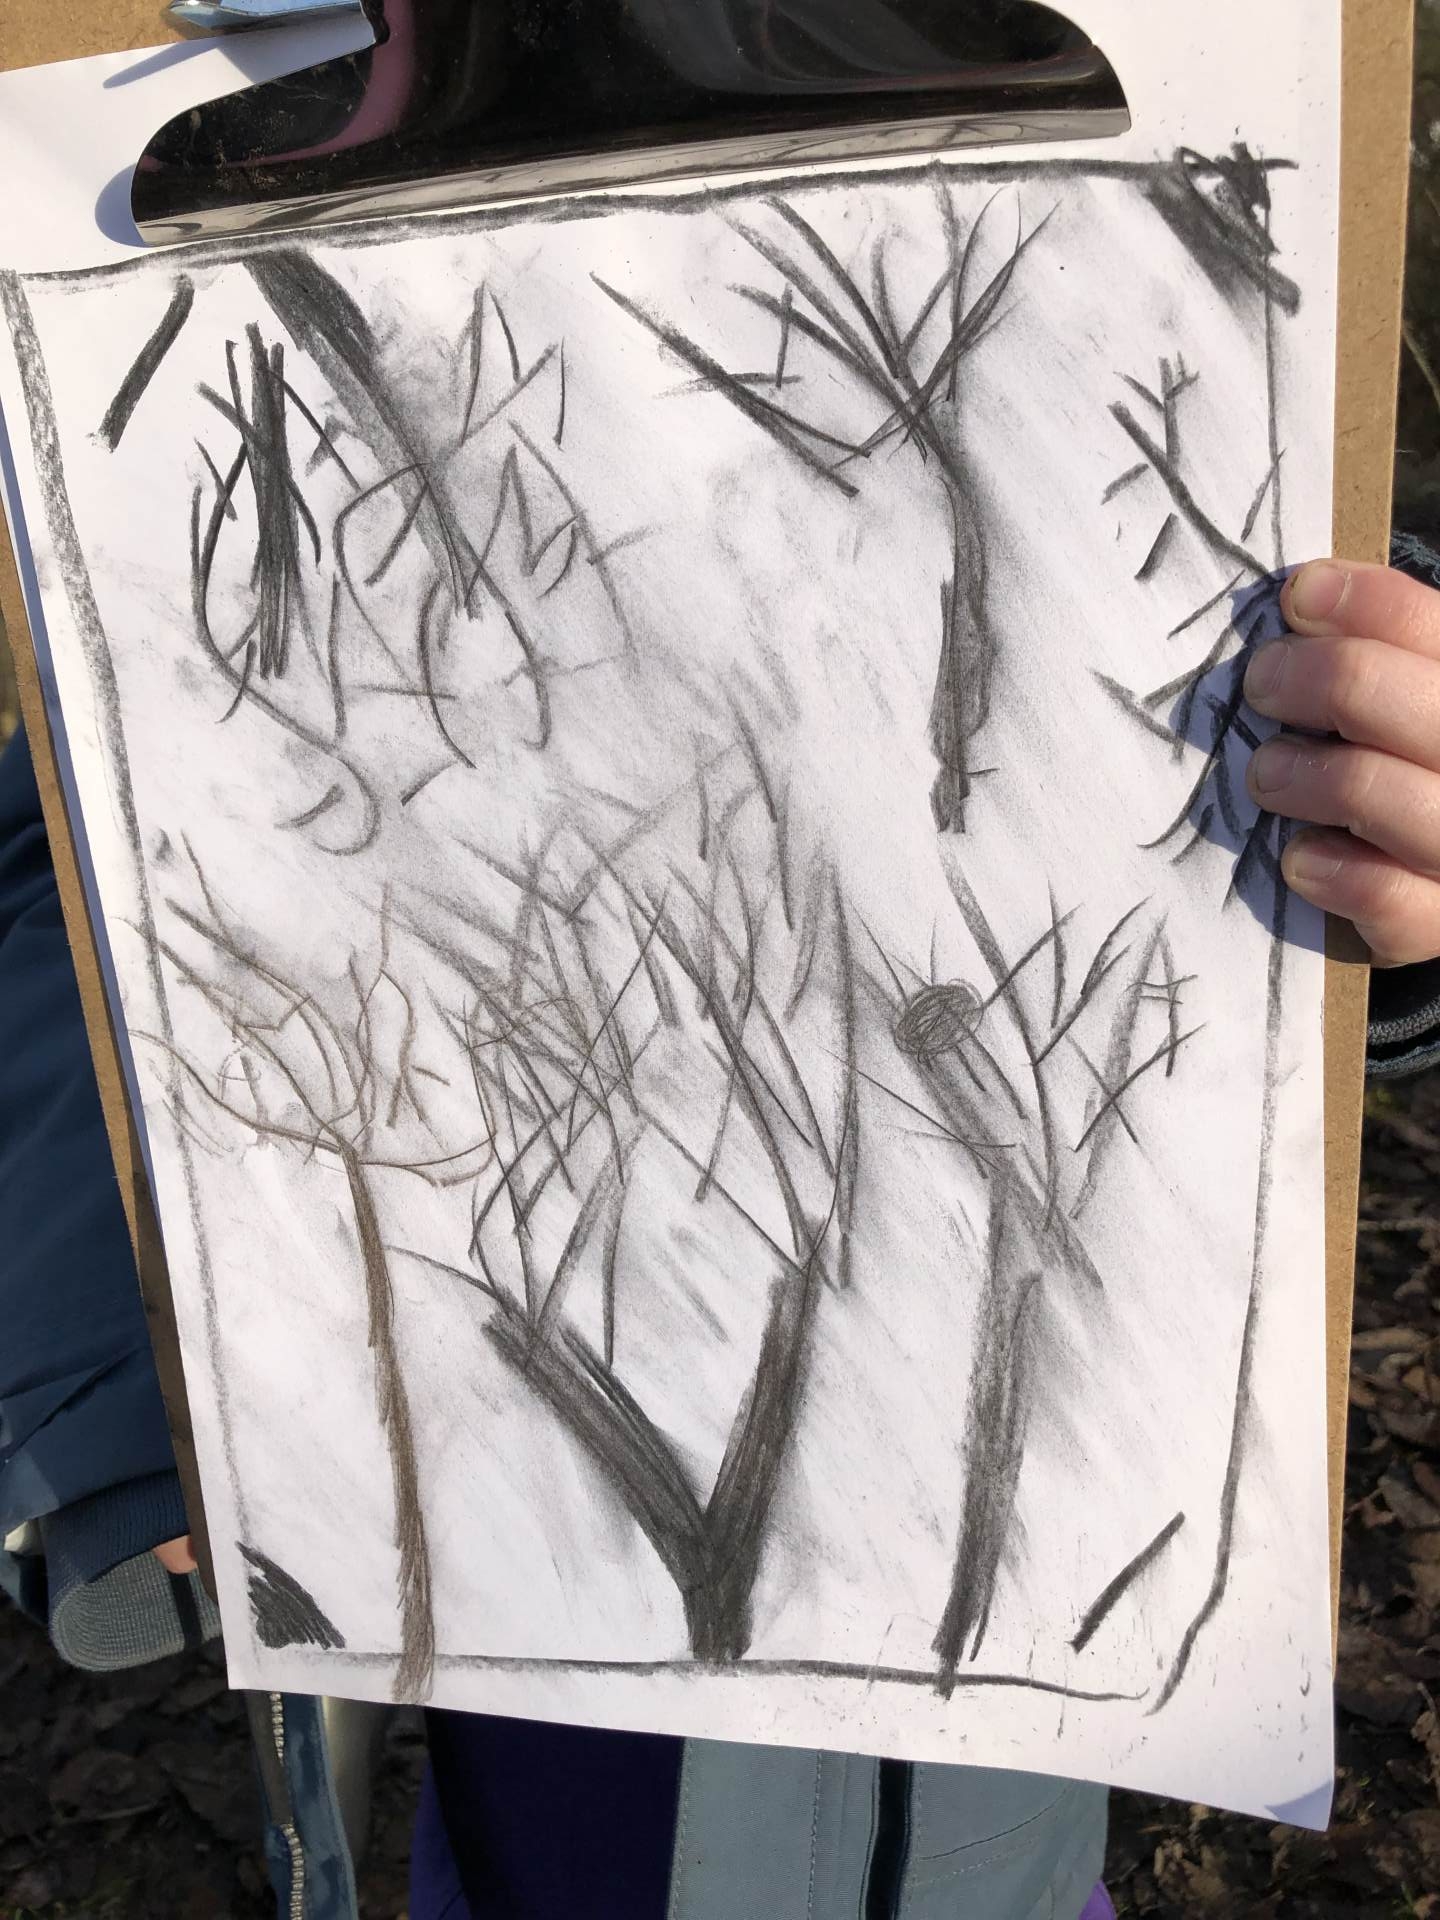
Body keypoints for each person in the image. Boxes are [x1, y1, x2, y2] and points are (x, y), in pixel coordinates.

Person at [4, 547, 1440, 1920]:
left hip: (1004, 1803)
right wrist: (132, 1361)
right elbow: (60, 842)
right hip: (533, 1719)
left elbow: (1281, 753)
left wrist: (1383, 849)